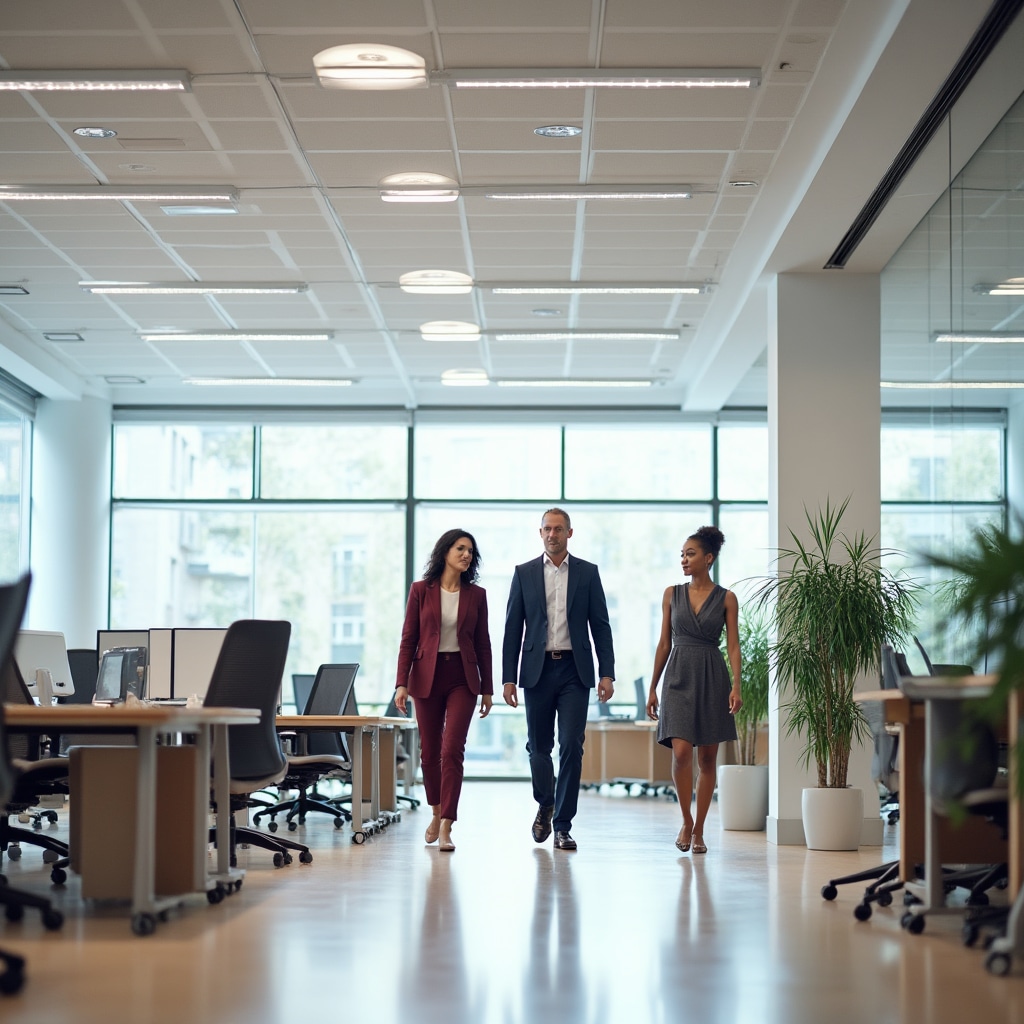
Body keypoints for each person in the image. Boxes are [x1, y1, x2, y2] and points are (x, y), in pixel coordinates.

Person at [502, 508, 615, 851]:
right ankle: (546, 802)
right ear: (540, 534)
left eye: (558, 529)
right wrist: (508, 678)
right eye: (547, 529)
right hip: (537, 671)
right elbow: (512, 629)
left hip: (574, 671)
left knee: (571, 746)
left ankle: (563, 825)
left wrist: (607, 672)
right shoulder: (523, 573)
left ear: (569, 533)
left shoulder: (588, 573)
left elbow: (601, 626)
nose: (552, 534)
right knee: (539, 748)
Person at [395, 529, 493, 852]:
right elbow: (409, 638)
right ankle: (435, 811)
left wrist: (488, 688)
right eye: (460, 549)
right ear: (445, 552)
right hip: (427, 675)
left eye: (470, 551)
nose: (467, 555)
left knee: (453, 749)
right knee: (429, 752)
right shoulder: (421, 590)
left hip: (462, 677)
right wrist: (401, 683)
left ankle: (448, 824)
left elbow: (483, 644)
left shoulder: (476, 595)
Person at [646, 526, 742, 855]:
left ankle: (699, 829)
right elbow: (663, 643)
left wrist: (737, 685)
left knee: (708, 757)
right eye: (682, 554)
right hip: (678, 674)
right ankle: (686, 820)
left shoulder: (727, 598)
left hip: (712, 675)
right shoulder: (671, 594)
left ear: (708, 558)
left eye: (691, 554)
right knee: (682, 752)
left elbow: (732, 646)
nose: (684, 560)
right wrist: (652, 687)